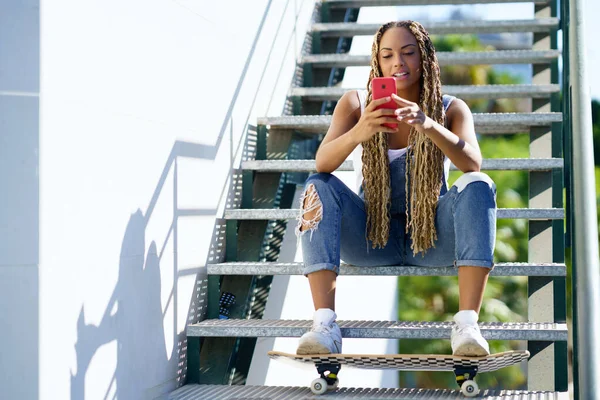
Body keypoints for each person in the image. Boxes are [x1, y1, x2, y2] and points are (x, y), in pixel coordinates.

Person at [294, 20, 497, 357]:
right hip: (371, 237)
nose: (398, 63)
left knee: (479, 184)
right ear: (378, 61)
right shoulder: (356, 104)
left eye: (407, 53)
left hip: (431, 238)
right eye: (387, 55)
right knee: (318, 186)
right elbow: (322, 163)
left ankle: (467, 325)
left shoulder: (451, 109)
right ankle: (324, 325)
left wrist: (428, 124)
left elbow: (472, 163)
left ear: (426, 59)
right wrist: (362, 130)